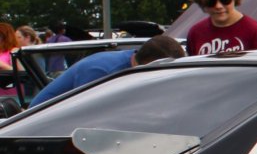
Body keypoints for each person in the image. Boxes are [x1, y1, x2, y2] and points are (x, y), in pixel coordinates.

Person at [29, 35, 184, 107]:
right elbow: (85, 114)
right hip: (39, 127)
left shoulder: (129, 64)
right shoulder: (103, 72)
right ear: (151, 63)